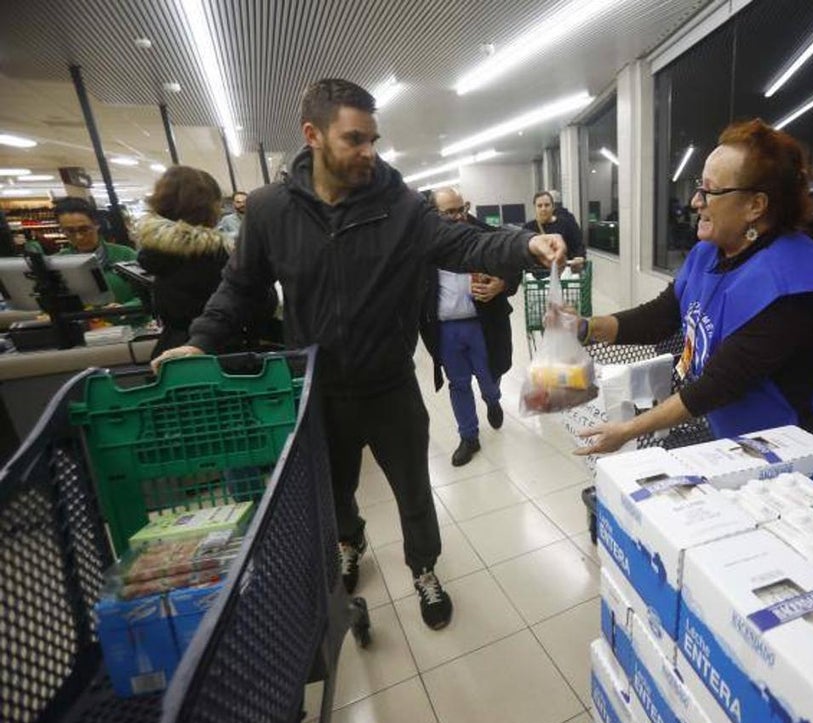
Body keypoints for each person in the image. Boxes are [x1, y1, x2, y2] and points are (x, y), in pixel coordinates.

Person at [151, 78, 566, 630]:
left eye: (373, 138)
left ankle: (423, 567)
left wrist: (524, 244)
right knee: (335, 490)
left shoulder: (399, 207)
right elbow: (240, 287)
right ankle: (351, 542)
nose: (369, 151)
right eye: (355, 139)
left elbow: (464, 243)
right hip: (318, 388)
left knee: (413, 490)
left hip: (389, 384)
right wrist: (199, 339)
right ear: (313, 136)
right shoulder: (273, 211)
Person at [574, 118, 813, 455]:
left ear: (755, 206)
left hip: (790, 446)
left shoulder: (793, 287)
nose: (696, 202)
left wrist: (627, 430)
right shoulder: (709, 254)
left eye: (711, 191)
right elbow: (661, 315)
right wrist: (585, 327)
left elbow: (720, 383)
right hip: (735, 438)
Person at [420, 187, 519, 467]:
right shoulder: (423, 243)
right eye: (449, 213)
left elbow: (513, 265)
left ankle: (492, 399)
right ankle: (468, 436)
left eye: (461, 209)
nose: (458, 217)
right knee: (459, 383)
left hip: (483, 324)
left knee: (489, 376)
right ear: (433, 214)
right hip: (446, 329)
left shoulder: (485, 234)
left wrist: (502, 283)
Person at [136, 167, 276, 358]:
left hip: (171, 351)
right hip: (221, 357)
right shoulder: (215, 257)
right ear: (208, 206)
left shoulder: (154, 254)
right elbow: (258, 306)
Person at [55, 197, 141, 307]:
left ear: (96, 224)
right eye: (69, 231)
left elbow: (151, 294)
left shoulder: (125, 255)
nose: (79, 236)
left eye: (84, 229)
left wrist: (126, 307)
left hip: (129, 322)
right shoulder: (58, 263)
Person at [524, 190, 584, 276]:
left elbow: (578, 245)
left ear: (553, 207)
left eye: (547, 205)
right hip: (538, 277)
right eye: (539, 206)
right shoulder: (528, 228)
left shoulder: (566, 224)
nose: (543, 208)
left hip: (564, 274)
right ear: (535, 208)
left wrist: (580, 257)